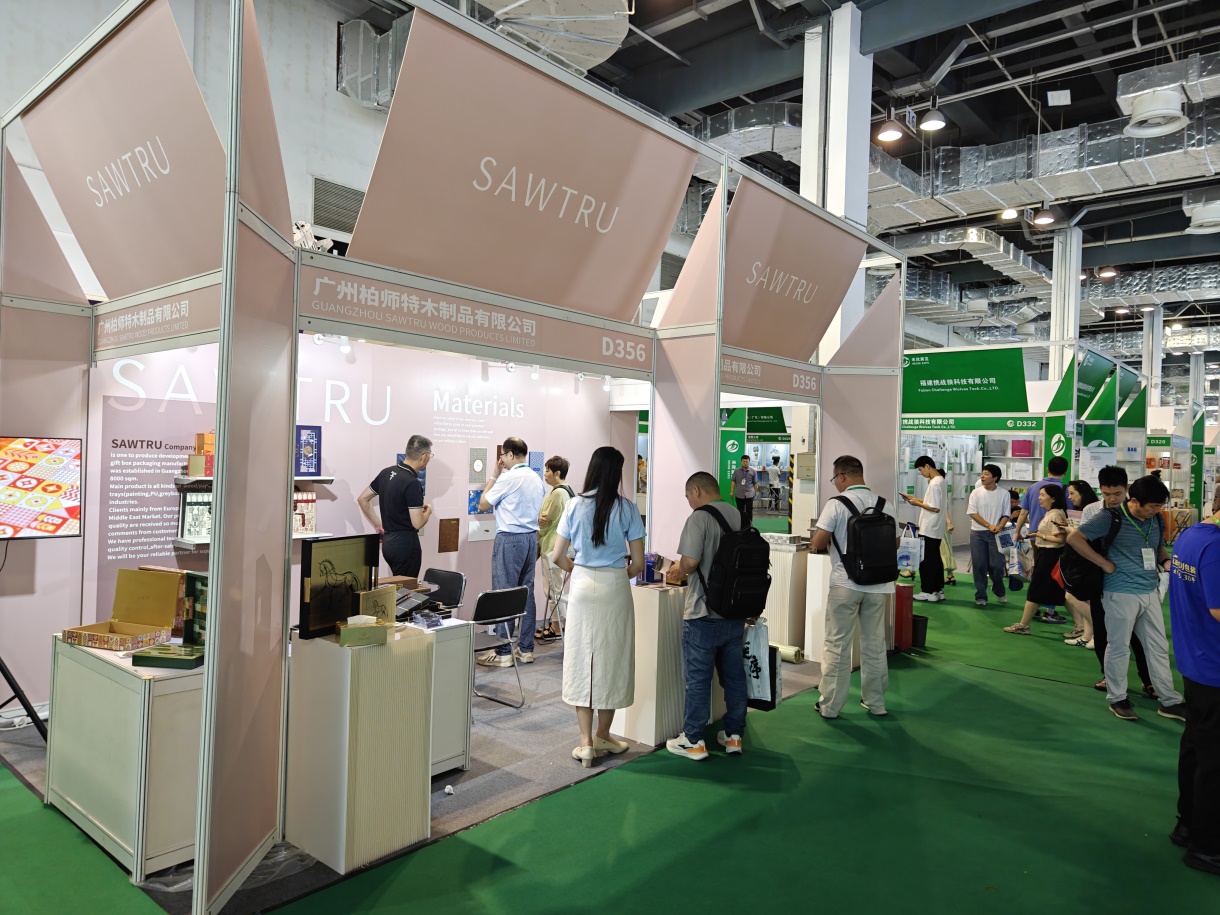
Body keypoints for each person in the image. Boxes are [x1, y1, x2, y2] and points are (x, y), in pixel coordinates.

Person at [551, 447, 646, 767]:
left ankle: (586, 742)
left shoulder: (574, 505)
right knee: (612, 658)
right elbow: (638, 563)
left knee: (581, 657)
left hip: (581, 585)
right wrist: (617, 575)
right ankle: (604, 733)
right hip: (615, 586)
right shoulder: (628, 508)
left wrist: (579, 570)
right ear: (617, 472)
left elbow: (557, 556)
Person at [1067, 475, 1187, 722]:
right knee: (1119, 646)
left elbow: (1158, 547)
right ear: (1135, 501)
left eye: (1160, 506)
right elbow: (1074, 538)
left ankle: (1170, 701)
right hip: (1119, 591)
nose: (1157, 510)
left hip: (1149, 590)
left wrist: (1166, 561)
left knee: (1158, 647)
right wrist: (1103, 563)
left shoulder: (1156, 519)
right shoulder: (1110, 517)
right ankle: (1117, 698)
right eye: (1153, 506)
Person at [664, 472, 750, 760]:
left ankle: (694, 740)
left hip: (703, 611)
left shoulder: (699, 518)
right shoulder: (740, 516)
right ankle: (734, 736)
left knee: (698, 680)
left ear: (697, 491)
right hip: (735, 612)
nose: (689, 502)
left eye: (688, 496)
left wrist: (678, 569)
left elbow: (690, 562)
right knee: (734, 678)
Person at [810, 455, 895, 718]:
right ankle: (876, 702)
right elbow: (895, 544)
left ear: (842, 476)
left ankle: (830, 706)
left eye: (834, 479)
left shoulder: (836, 504)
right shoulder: (885, 504)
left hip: (845, 583)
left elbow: (818, 542)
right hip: (879, 585)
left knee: (837, 644)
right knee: (875, 644)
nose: (835, 483)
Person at [1167, 500, 1220, 875]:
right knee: (1214, 762)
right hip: (1214, 667)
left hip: (1197, 661)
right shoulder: (1215, 546)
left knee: (1197, 749)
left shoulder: (1191, 536)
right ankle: (1208, 847)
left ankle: (1188, 826)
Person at [1084, 466, 1156, 697]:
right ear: (1100, 489)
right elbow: (1080, 539)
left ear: (1127, 489)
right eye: (1106, 494)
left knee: (1139, 636)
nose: (1112, 498)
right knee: (1103, 631)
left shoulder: (1138, 511)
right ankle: (1108, 676)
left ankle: (1148, 679)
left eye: (1117, 493)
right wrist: (1102, 563)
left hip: (1132, 583)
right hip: (1100, 580)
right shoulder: (1092, 511)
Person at [478, 438, 547, 667]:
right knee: (526, 593)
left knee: (504, 593)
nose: (502, 461)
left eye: (502, 456)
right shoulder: (536, 478)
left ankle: (503, 651)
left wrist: (494, 475)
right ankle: (525, 649)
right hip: (530, 539)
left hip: (509, 539)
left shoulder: (508, 478)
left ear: (509, 454)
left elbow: (483, 504)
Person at [357, 435, 433, 578]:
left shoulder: (386, 472)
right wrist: (428, 512)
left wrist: (378, 524)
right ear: (424, 456)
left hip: (389, 544)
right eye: (430, 455)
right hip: (405, 545)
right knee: (406, 589)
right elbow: (417, 523)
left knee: (398, 587)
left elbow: (362, 499)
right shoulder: (412, 482)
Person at [1003, 484, 1070, 634]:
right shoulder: (1052, 513)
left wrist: (1039, 535)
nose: (1039, 498)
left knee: (1036, 590)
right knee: (1059, 593)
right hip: (1047, 554)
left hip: (1050, 556)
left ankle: (1024, 625)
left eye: (1043, 495)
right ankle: (1081, 626)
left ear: (1053, 498)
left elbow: (1060, 539)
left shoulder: (1055, 515)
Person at [536, 456, 574, 643]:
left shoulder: (558, 494)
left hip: (552, 547)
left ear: (557, 473)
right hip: (559, 546)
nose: (545, 474)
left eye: (547, 471)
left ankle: (557, 626)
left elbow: (545, 521)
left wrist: (537, 523)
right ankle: (556, 623)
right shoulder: (566, 491)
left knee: (553, 590)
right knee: (555, 588)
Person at [1059, 480, 1099, 646]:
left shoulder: (1093, 510)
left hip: (1087, 561)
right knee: (1085, 599)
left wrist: (1071, 531)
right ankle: (1087, 636)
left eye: (1072, 493)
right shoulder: (1082, 510)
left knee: (1072, 596)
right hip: (1079, 559)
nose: (1069, 497)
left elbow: (1086, 537)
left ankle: (1100, 631)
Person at [902, 455, 946, 603]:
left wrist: (917, 504)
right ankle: (938, 590)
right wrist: (915, 499)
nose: (921, 473)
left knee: (927, 561)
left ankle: (928, 591)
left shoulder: (934, 483)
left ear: (928, 466)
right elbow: (932, 502)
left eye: (921, 470)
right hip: (936, 528)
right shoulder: (940, 480)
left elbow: (934, 507)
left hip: (929, 528)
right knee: (935, 560)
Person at [967, 464, 1012, 608]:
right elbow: (972, 512)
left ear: (995, 477)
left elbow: (1006, 514)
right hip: (978, 533)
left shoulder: (1004, 493)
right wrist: (988, 525)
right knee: (979, 565)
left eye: (986, 474)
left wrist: (999, 526)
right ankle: (981, 596)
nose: (982, 476)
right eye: (982, 473)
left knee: (997, 566)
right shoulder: (976, 492)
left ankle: (998, 589)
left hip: (997, 533)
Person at [1015, 455, 1069, 545]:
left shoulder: (1032, 487)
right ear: (1066, 472)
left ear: (1047, 469)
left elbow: (1023, 513)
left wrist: (1017, 532)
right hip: (1057, 536)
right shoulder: (1067, 490)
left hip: (1034, 533)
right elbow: (1069, 515)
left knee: (1037, 554)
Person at [732, 456, 757, 525]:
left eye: (747, 461)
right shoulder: (736, 471)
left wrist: (755, 492)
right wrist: (732, 491)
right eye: (744, 461)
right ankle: (741, 524)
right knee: (740, 511)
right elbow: (733, 481)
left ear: (749, 462)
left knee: (749, 510)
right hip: (739, 494)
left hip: (749, 494)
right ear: (741, 462)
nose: (745, 463)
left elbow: (755, 483)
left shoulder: (753, 471)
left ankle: (749, 524)